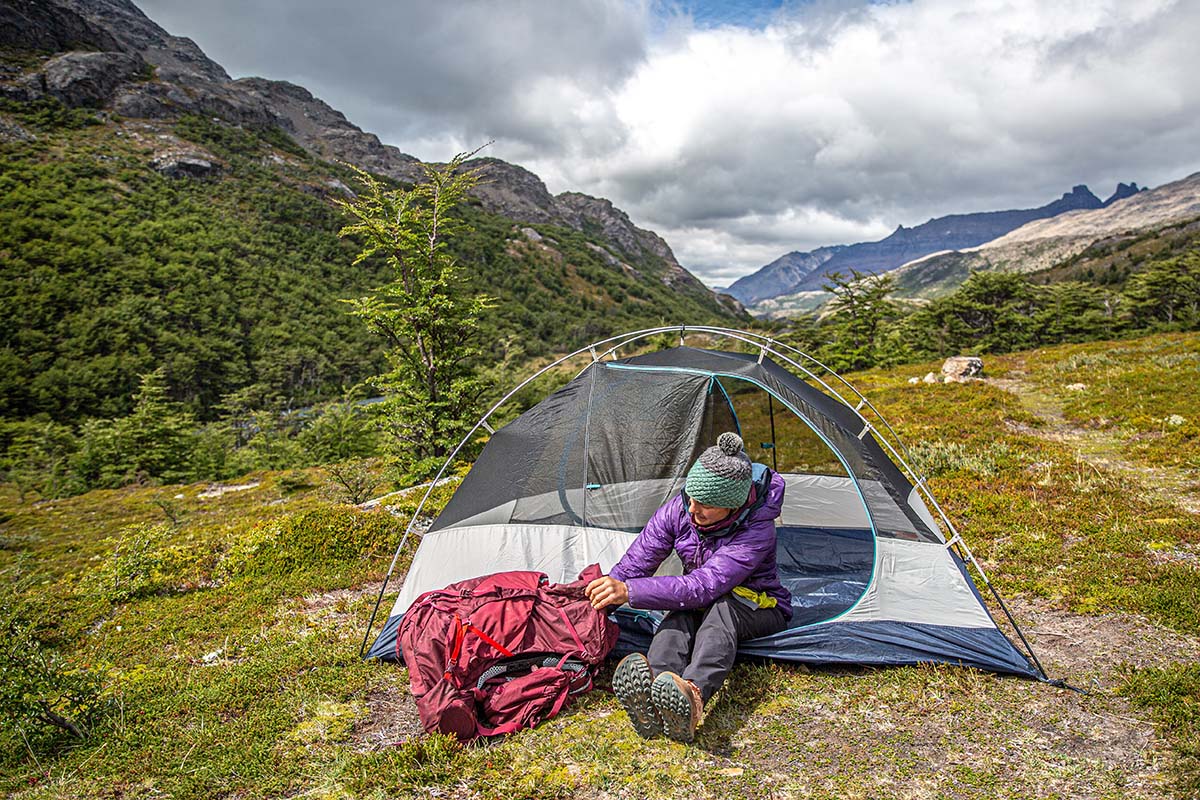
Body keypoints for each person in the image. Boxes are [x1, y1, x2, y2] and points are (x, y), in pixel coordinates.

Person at [585, 432, 791, 743]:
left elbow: (704, 586)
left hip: (759, 605)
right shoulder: (680, 510)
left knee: (721, 611)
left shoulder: (756, 532)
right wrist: (600, 605)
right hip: (702, 599)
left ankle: (692, 696)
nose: (693, 509)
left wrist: (632, 592)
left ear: (732, 505)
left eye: (705, 504)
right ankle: (655, 690)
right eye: (690, 497)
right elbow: (636, 564)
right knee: (678, 615)